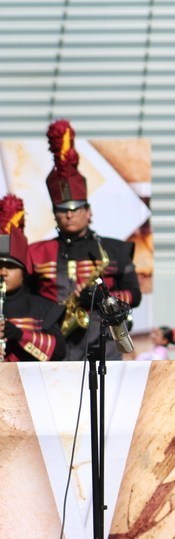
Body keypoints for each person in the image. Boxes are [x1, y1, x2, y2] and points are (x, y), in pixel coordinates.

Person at [29, 119, 142, 360]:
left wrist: (105, 299)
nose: (69, 215)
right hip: (53, 345)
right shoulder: (35, 253)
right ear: (54, 214)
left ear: (88, 211)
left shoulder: (114, 249)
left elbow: (135, 294)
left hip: (103, 345)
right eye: (62, 210)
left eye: (76, 208)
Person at [0, 194, 65, 362]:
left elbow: (59, 352)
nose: (3, 272)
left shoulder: (43, 308)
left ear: (24, 271)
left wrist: (20, 335)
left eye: (11, 267)